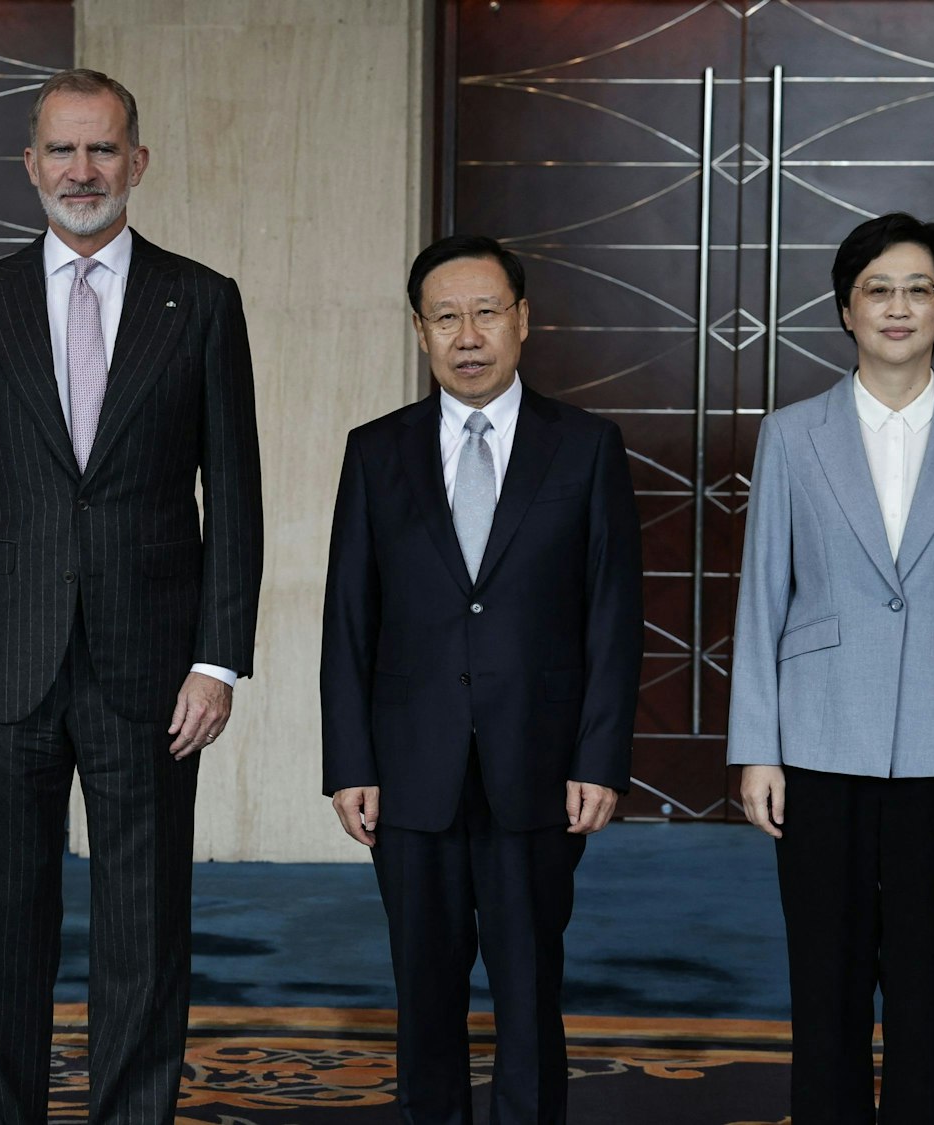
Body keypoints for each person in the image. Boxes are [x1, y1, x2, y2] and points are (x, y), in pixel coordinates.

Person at [0, 69, 263, 1123]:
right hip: (0, 668)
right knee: (6, 928)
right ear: (29, 166)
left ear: (137, 163)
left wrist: (217, 657)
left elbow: (233, 492)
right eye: (60, 151)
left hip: (150, 671)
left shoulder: (199, 300)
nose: (80, 171)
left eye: (101, 150)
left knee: (145, 927)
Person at [321, 235, 644, 1125]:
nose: (469, 335)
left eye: (487, 312)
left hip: (539, 769)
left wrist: (602, 757)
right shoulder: (375, 453)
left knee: (531, 988)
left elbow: (613, 617)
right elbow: (349, 617)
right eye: (446, 317)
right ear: (421, 333)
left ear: (523, 321)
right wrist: (349, 760)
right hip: (410, 769)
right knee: (422, 992)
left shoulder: (584, 449)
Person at [727, 212, 934, 1123]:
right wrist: (757, 747)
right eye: (878, 289)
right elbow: (762, 598)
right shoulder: (792, 434)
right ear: (847, 310)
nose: (898, 307)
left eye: (919, 290)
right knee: (824, 983)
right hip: (817, 739)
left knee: (927, 988)